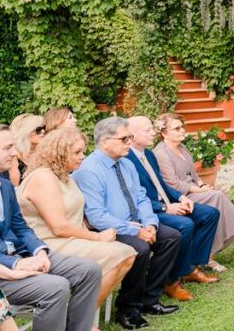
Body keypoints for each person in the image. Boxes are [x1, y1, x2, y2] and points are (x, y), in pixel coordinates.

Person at [73, 117, 182, 330]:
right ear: (105, 141)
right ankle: (127, 308)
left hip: (137, 223)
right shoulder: (89, 170)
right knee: (139, 248)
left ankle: (149, 299)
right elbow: (96, 215)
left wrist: (150, 224)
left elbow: (140, 197)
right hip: (110, 229)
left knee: (171, 237)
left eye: (130, 137)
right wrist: (136, 229)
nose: (129, 143)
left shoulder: (127, 163)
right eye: (124, 138)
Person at [0, 124, 101, 331]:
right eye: (8, 147)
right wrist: (16, 264)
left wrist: (40, 251)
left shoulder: (5, 186)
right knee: (55, 287)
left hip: (23, 255)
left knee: (89, 270)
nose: (15, 153)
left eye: (14, 146)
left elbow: (21, 227)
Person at [18, 128, 137, 311]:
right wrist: (97, 237)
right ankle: (81, 319)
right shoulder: (43, 177)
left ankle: (80, 315)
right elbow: (59, 227)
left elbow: (75, 215)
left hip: (70, 238)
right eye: (77, 152)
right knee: (123, 254)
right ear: (59, 153)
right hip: (47, 243)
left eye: (83, 151)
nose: (83, 156)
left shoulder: (65, 175)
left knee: (127, 253)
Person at [153, 114, 234, 267]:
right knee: (218, 196)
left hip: (194, 191)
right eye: (177, 128)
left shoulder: (182, 147)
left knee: (217, 204)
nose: (182, 130)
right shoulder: (161, 153)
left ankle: (209, 256)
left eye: (182, 126)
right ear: (164, 133)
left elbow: (193, 173)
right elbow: (172, 184)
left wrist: (201, 185)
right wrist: (198, 190)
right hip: (180, 197)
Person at [126, 117, 220, 295]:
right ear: (132, 135)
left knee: (209, 214)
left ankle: (188, 268)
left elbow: (161, 184)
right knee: (185, 225)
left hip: (166, 203)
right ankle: (171, 280)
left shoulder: (148, 154)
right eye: (147, 130)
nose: (153, 133)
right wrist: (164, 208)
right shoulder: (127, 159)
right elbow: (133, 197)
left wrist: (180, 197)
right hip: (148, 211)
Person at [8, 115, 45, 186]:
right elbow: (14, 187)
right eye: (38, 129)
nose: (43, 131)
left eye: (44, 128)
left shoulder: (45, 154)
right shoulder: (13, 157)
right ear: (25, 132)